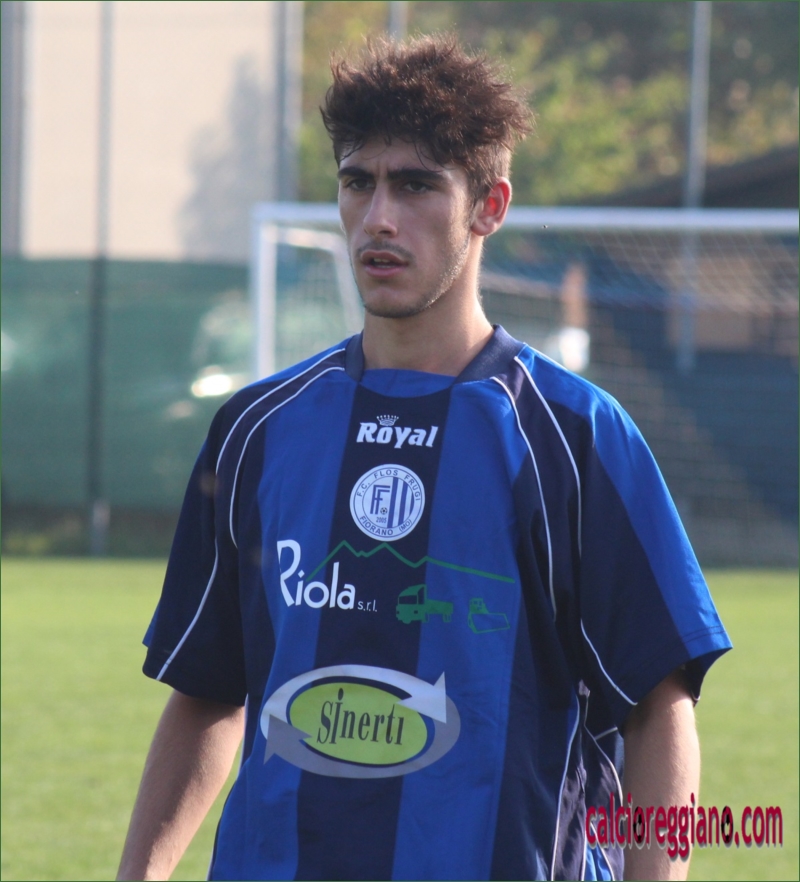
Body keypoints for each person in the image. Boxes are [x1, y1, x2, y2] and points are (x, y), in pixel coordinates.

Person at [117, 34, 731, 882]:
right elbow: (206, 692)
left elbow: (659, 710)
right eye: (357, 182)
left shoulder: (573, 435)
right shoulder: (257, 430)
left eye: (415, 185)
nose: (379, 217)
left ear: (490, 206)